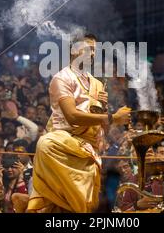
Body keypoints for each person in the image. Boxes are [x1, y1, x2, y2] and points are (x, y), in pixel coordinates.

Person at [27, 33, 131, 213]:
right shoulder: (62, 78)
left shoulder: (98, 85)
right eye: (88, 49)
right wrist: (113, 117)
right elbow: (72, 116)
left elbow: (103, 128)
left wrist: (104, 108)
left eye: (94, 51)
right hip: (65, 138)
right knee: (45, 143)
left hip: (89, 145)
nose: (92, 54)